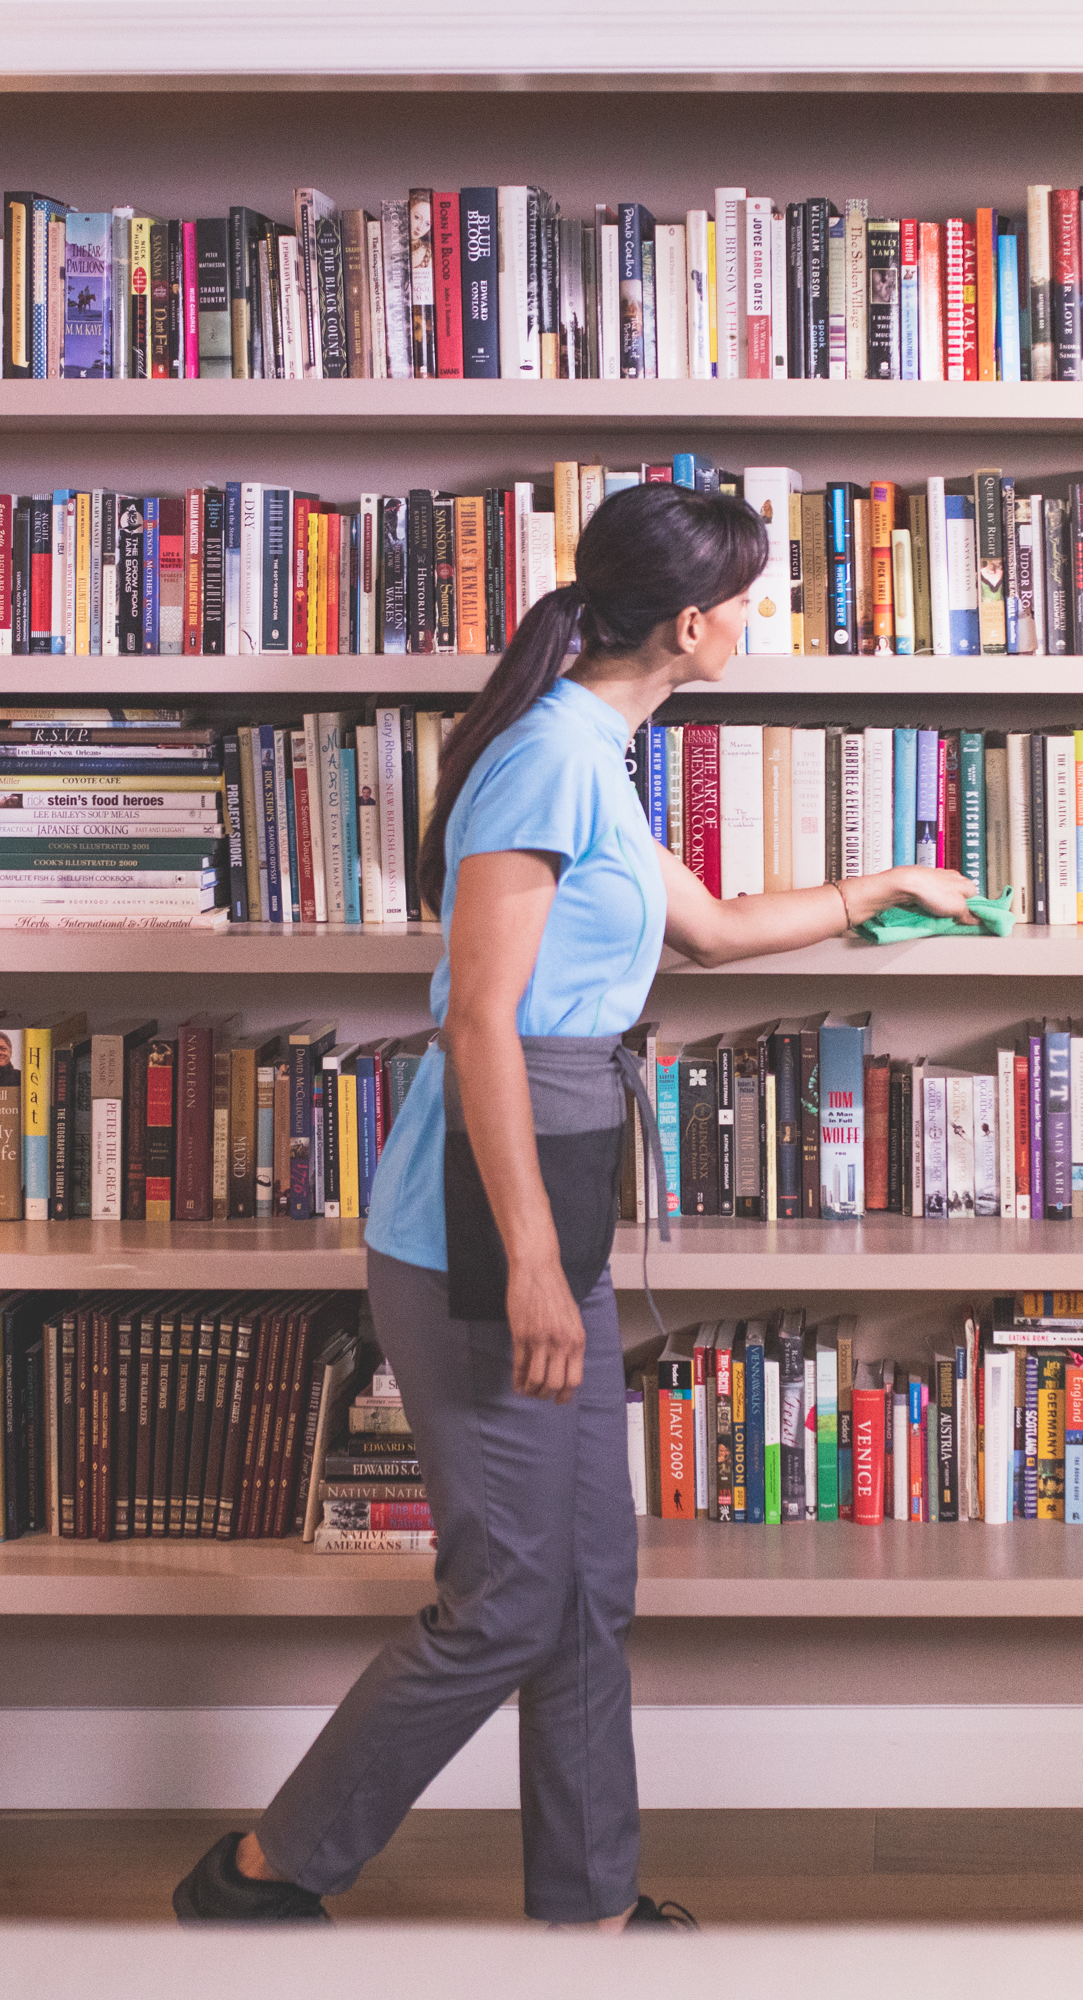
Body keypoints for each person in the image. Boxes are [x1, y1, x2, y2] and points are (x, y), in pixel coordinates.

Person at [172, 483, 974, 1930]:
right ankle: (265, 1868)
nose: (755, 620)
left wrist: (883, 888)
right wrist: (535, 1268)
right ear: (686, 620)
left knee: (591, 1582)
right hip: (491, 1213)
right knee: (508, 1601)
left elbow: (716, 933)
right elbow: (481, 1021)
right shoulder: (550, 761)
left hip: (566, 1173)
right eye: (746, 599)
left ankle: (590, 1911)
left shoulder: (598, 756)